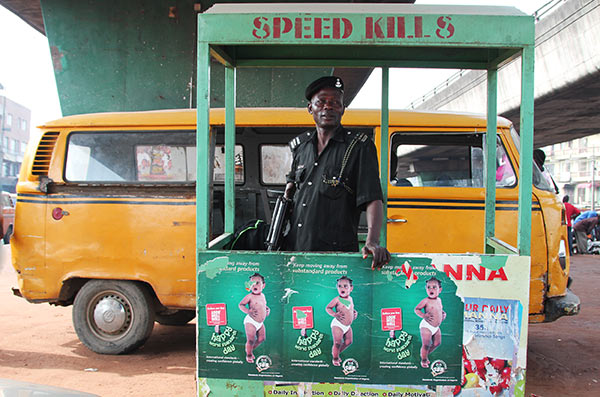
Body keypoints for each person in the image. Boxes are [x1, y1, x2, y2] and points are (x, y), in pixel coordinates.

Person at [283, 76, 391, 269]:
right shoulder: (300, 147)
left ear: (342, 109)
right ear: (310, 108)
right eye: (321, 102)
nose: (328, 107)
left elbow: (372, 197)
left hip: (335, 257)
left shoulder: (359, 146)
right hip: (295, 250)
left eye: (335, 103)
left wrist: (372, 241)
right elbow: (291, 190)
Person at [414, 277, 446, 369]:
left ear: (440, 290)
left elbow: (440, 310)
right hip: (427, 326)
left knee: (437, 343)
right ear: (426, 289)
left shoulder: (439, 300)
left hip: (436, 327)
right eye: (428, 287)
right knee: (426, 344)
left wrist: (443, 314)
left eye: (434, 287)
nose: (431, 289)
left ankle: (424, 354)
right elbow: (416, 309)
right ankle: (423, 360)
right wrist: (424, 315)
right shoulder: (426, 301)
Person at [238, 273, 270, 363]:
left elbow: (263, 306)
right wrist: (248, 311)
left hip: (260, 323)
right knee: (251, 339)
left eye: (257, 283)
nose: (254, 285)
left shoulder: (263, 296)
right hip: (251, 321)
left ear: (263, 285)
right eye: (251, 284)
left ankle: (249, 349)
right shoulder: (250, 296)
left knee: (261, 339)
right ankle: (248, 355)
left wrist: (267, 310)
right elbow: (241, 305)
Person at [325, 276, 357, 366]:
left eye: (345, 286)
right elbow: (328, 308)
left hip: (347, 326)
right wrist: (335, 314)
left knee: (348, 342)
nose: (342, 288)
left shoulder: (350, 299)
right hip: (338, 324)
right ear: (337, 287)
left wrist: (354, 313)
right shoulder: (337, 300)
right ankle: (335, 358)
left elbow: (350, 308)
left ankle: (336, 352)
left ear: (351, 288)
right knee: (337, 342)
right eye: (339, 286)